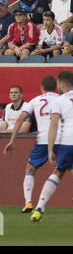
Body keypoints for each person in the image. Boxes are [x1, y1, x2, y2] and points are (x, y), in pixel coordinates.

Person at [4, 75, 59, 213]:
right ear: (56, 87)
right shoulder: (62, 99)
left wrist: (12, 140)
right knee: (67, 168)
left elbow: (20, 119)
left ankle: (28, 203)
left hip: (42, 140)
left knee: (30, 169)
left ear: (42, 87)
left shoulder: (35, 101)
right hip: (61, 139)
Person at [31, 70, 73, 222]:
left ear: (61, 84)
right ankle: (39, 207)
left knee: (58, 171)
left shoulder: (59, 101)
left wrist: (50, 150)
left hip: (67, 141)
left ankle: (40, 207)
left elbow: (54, 124)